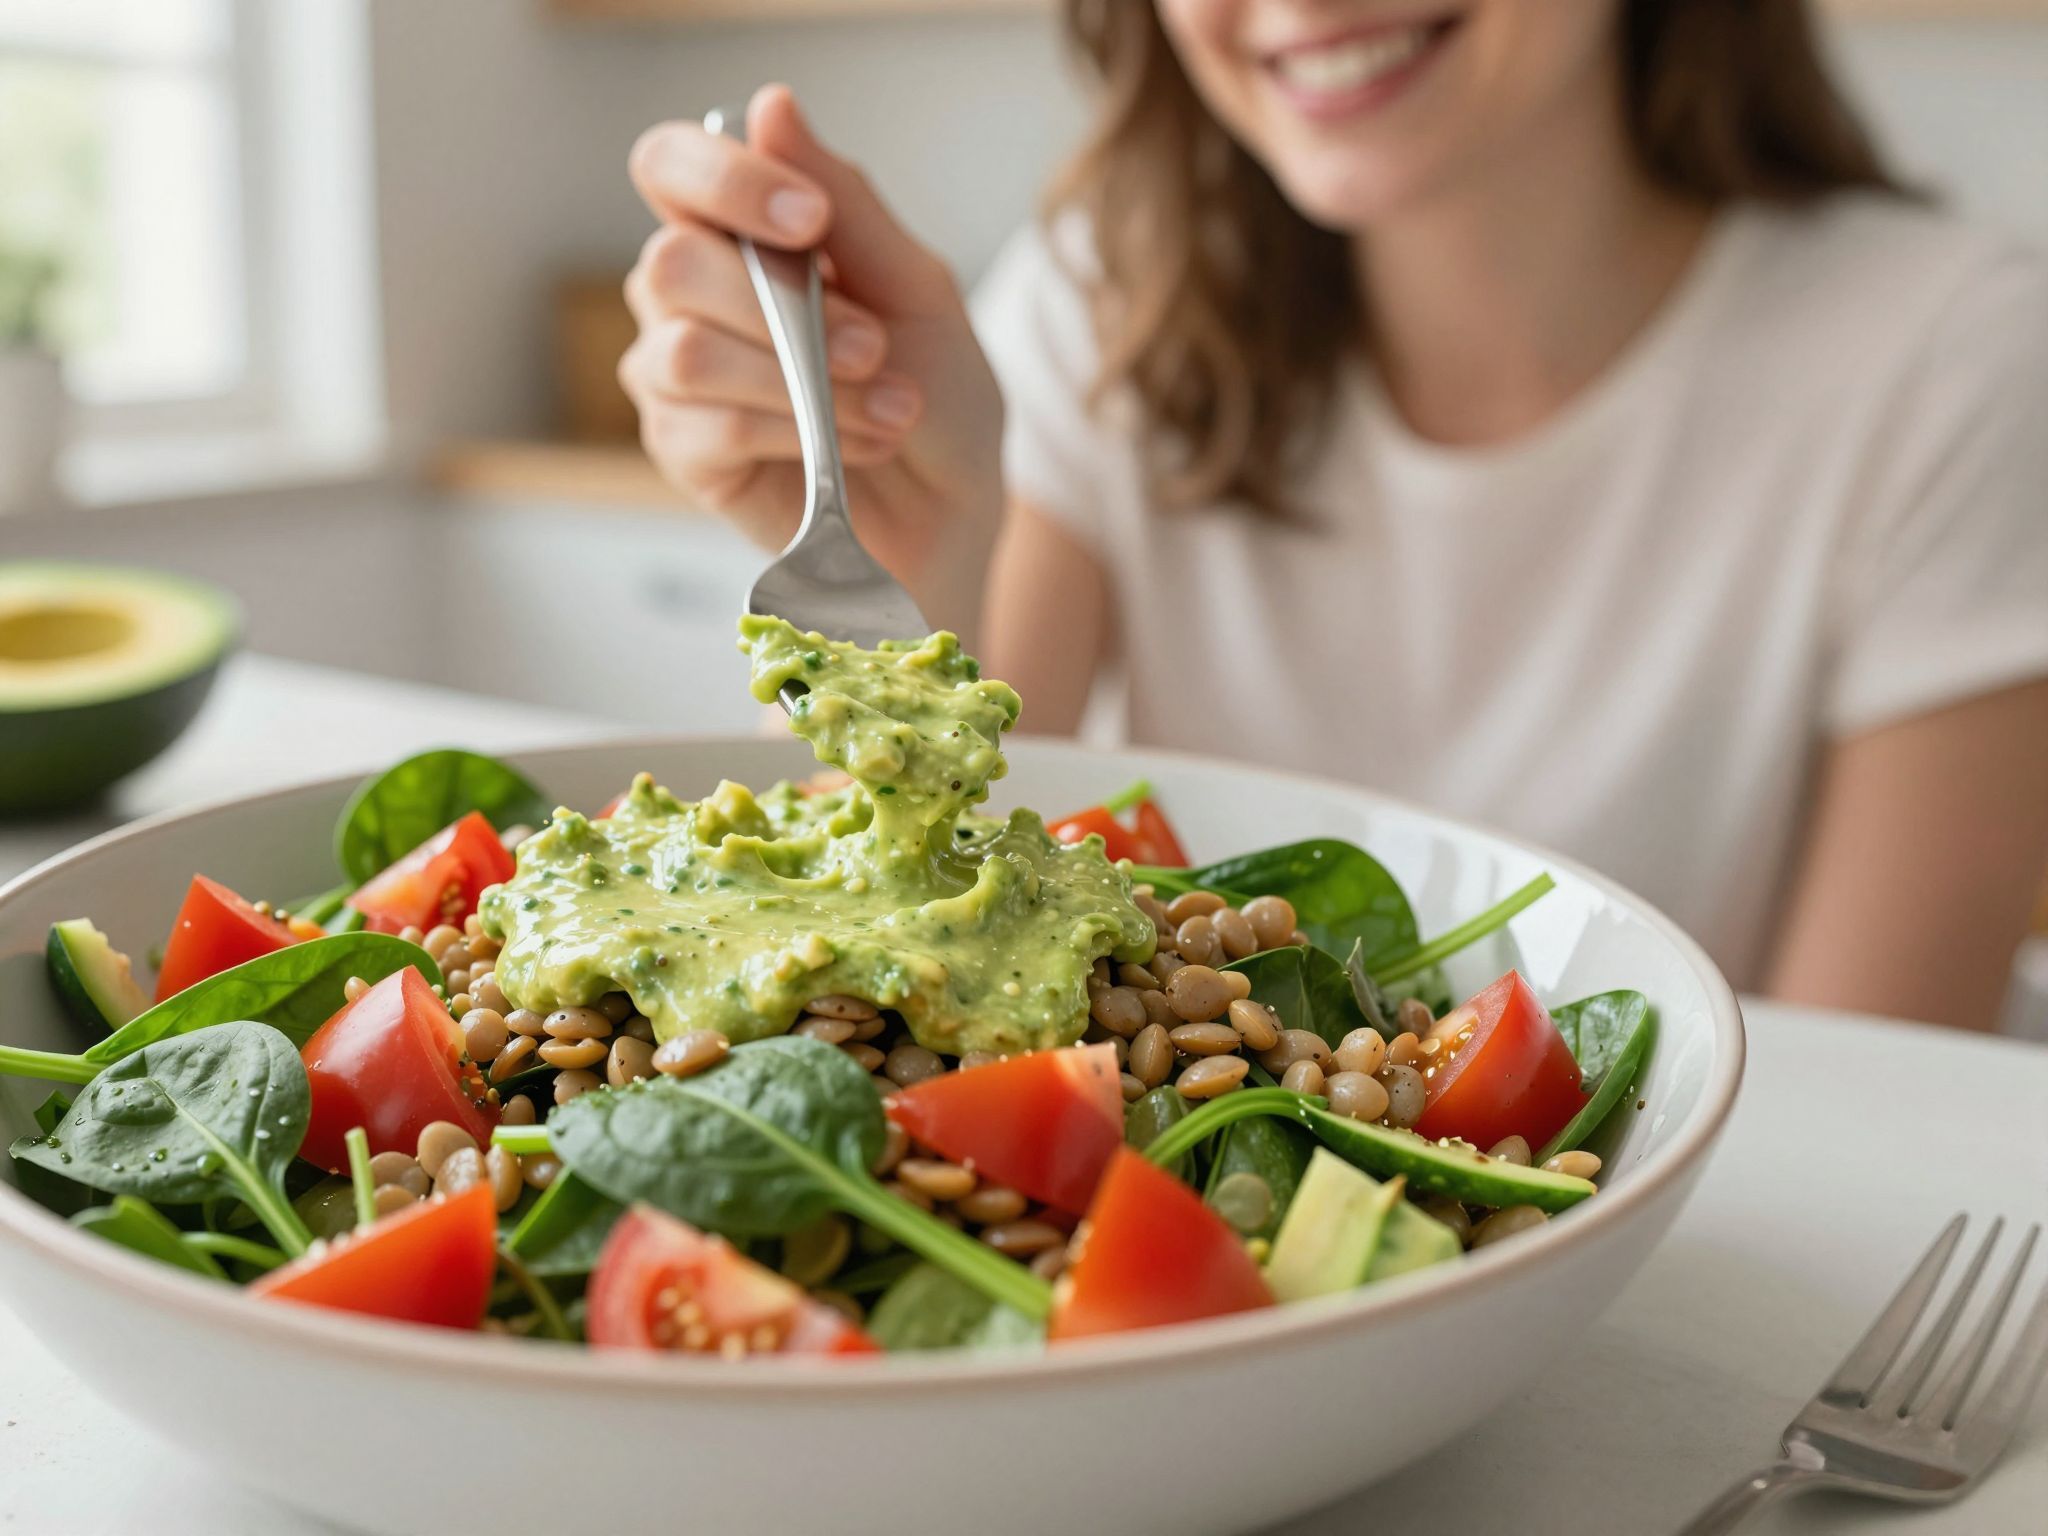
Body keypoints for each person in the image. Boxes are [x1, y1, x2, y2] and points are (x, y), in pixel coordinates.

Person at [616, 1, 2048, 1032]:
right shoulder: (1104, 303)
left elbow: (1866, 1093)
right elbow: (878, 971)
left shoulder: (1949, 353)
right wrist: (920, 550)